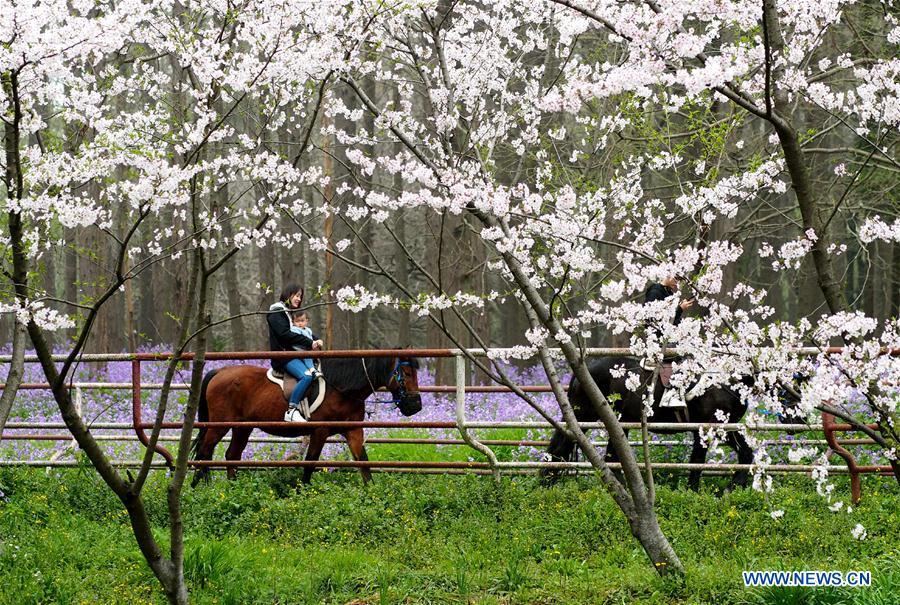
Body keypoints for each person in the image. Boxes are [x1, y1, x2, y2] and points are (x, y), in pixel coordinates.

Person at [267, 284, 323, 422]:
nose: (299, 299)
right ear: (288, 294)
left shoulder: (288, 312)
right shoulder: (276, 312)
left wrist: (316, 340)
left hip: (294, 355)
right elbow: (285, 334)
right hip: (284, 357)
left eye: (300, 296)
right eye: (297, 295)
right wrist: (310, 343)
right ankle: (292, 410)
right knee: (306, 377)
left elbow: (302, 331)